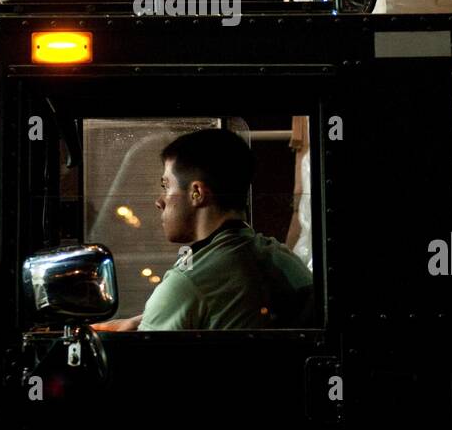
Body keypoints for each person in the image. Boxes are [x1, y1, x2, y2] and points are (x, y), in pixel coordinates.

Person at [94, 128, 314, 331]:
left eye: (166, 186)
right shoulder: (282, 259)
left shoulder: (187, 282)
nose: (159, 201)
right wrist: (137, 322)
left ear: (197, 193)